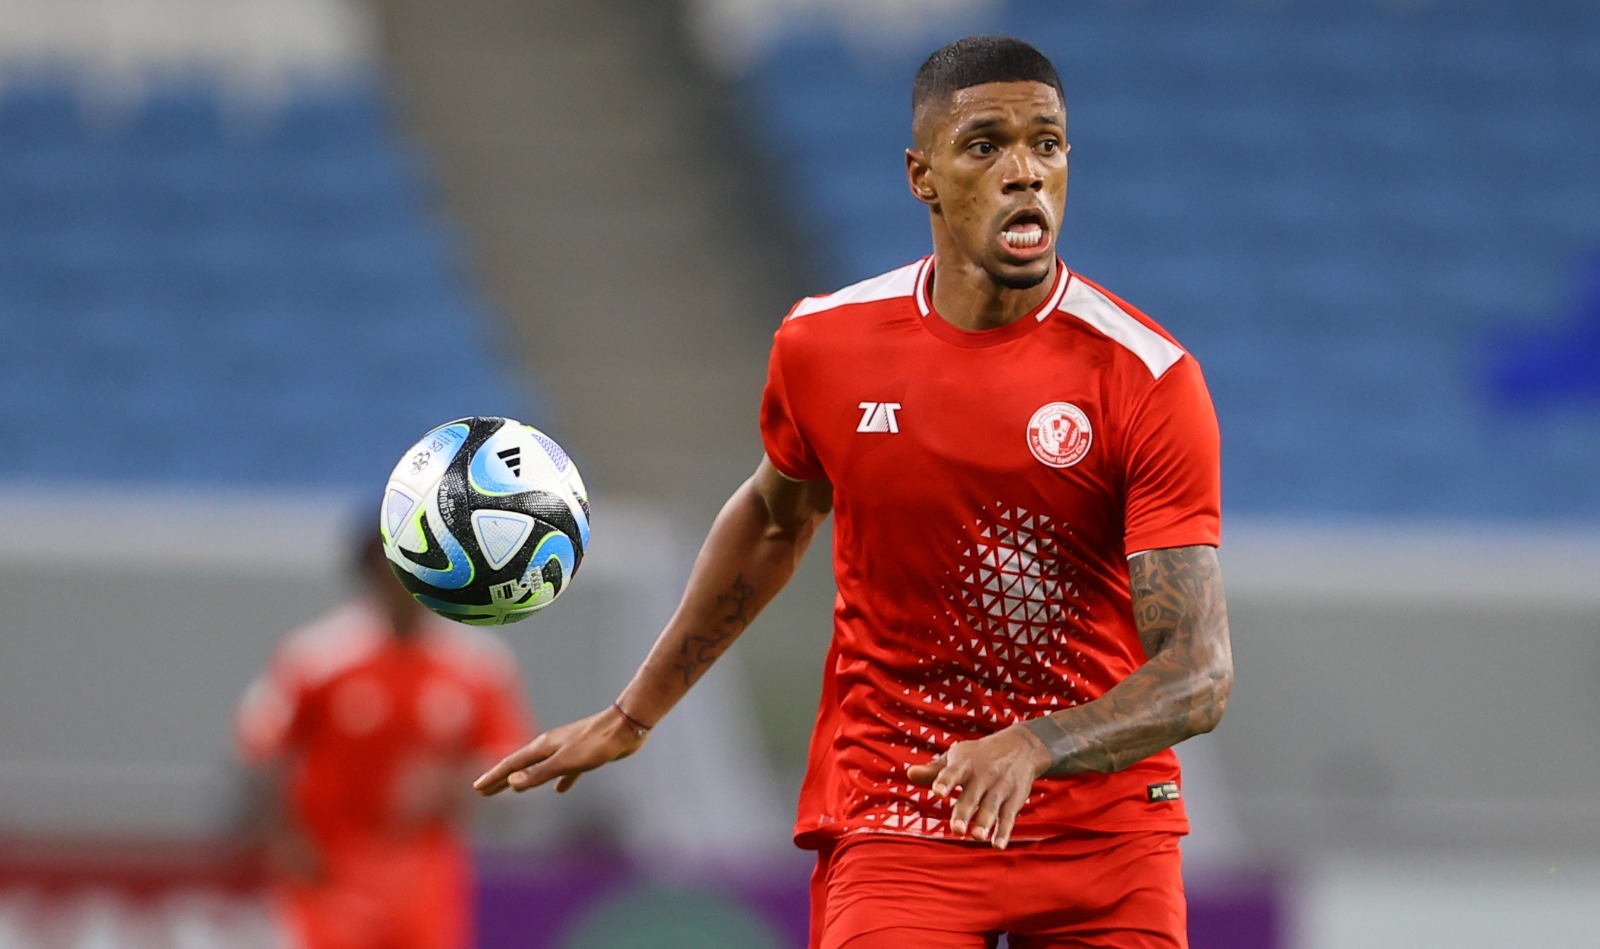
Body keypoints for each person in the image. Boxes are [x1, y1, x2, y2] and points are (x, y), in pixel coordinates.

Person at [476, 34, 1232, 949]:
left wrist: (1036, 743)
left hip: (1102, 838)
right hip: (901, 817)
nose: (1026, 171)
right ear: (922, 176)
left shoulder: (1147, 379)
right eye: (986, 144)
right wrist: (635, 713)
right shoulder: (826, 345)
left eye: (1047, 143)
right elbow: (773, 517)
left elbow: (1198, 672)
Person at [236, 534, 534, 949]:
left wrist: (457, 785)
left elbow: (513, 764)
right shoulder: (319, 657)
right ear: (372, 570)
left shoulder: (479, 664)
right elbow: (259, 747)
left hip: (426, 877)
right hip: (331, 874)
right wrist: (285, 837)